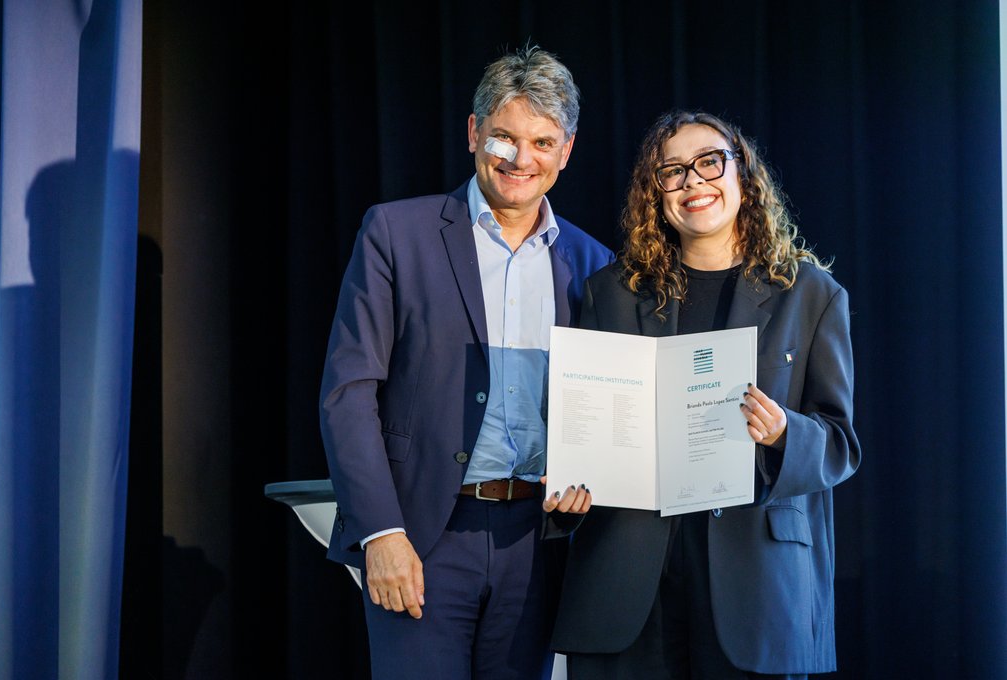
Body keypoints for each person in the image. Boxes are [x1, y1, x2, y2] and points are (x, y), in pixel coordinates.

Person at [319, 46, 612, 680]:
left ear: (566, 151)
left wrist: (596, 473)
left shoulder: (594, 266)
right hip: (421, 536)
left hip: (537, 545)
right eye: (504, 136)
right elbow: (348, 393)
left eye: (542, 141)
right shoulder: (396, 232)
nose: (520, 158)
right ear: (474, 131)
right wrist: (381, 534)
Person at [550, 111, 861, 679]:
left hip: (756, 583)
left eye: (709, 162)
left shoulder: (811, 294)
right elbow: (578, 421)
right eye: (672, 172)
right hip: (628, 578)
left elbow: (840, 442)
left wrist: (785, 432)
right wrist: (567, 486)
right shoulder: (611, 293)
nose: (694, 182)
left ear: (744, 175)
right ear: (656, 194)